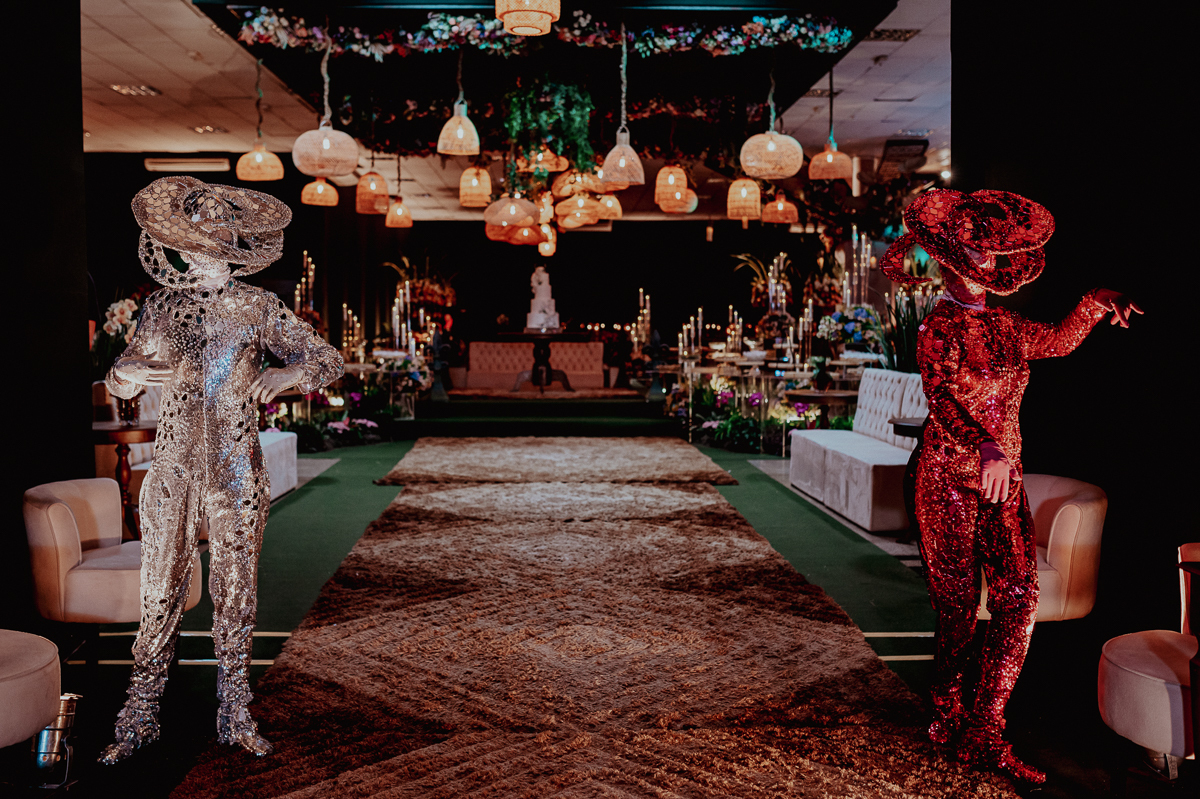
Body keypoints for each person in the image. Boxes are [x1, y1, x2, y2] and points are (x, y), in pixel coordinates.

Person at [879, 189, 1141, 783]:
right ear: (952, 257)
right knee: (955, 611)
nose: (993, 259)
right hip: (948, 479)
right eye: (981, 249)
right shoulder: (937, 325)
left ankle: (985, 732)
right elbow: (943, 398)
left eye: (997, 249)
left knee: (1019, 598)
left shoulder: (1003, 324)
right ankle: (945, 710)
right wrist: (989, 447)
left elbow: (1055, 341)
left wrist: (1095, 302)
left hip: (1003, 483)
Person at [100, 177, 343, 764]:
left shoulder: (257, 306)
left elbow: (325, 358)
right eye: (194, 240)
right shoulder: (162, 306)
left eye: (214, 240)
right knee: (158, 589)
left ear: (232, 247)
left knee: (236, 590)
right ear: (181, 247)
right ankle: (140, 713)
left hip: (236, 464)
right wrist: (126, 377)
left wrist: (286, 375)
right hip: (173, 466)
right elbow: (124, 370)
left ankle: (234, 708)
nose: (203, 250)